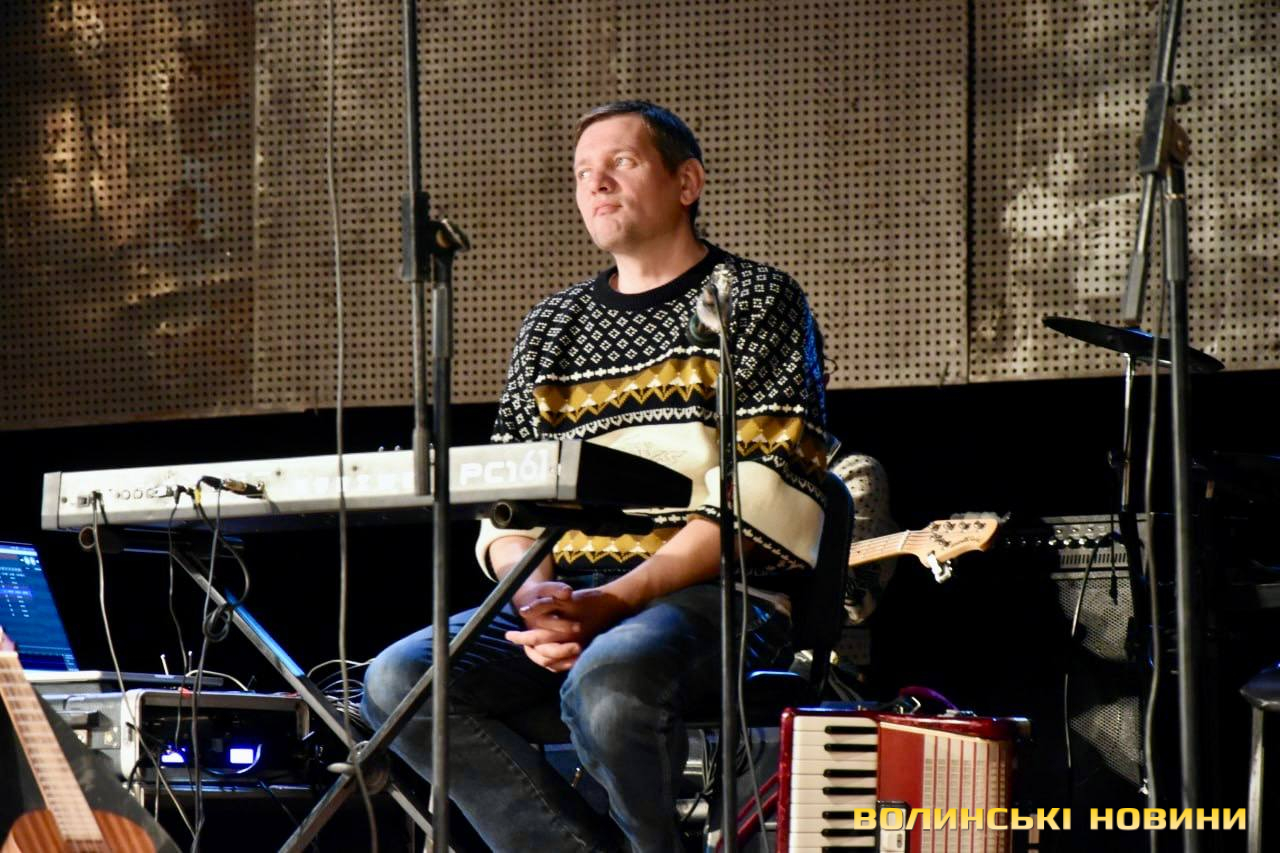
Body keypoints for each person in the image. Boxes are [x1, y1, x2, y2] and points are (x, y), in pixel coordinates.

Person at [363, 100, 831, 852]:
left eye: (621, 163)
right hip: (573, 595)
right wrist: (538, 598)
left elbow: (759, 494)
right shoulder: (554, 326)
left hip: (715, 596)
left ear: (687, 183)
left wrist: (609, 604)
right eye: (583, 172)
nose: (596, 183)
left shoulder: (753, 300)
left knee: (609, 684)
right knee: (399, 684)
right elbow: (510, 502)